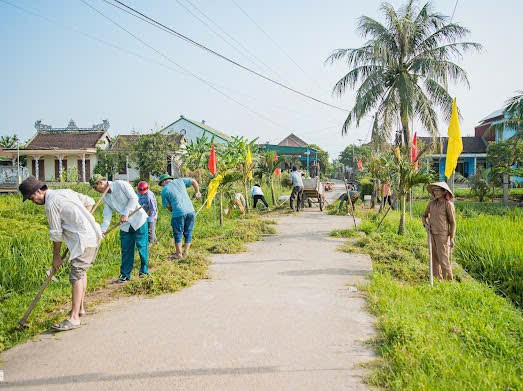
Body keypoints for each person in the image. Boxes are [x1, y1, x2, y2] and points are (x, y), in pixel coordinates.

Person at [19, 176, 102, 331]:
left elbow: (56, 233)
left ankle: (74, 318)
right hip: (92, 236)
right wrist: (81, 222)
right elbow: (89, 201)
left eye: (32, 198)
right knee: (81, 272)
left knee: (76, 275)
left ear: (39, 191)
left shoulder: (51, 204)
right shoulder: (65, 192)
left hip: (83, 241)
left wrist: (56, 258)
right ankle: (81, 309)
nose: (33, 201)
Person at [90, 174, 149, 283]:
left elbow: (134, 198)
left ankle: (144, 272)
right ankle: (125, 275)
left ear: (101, 183)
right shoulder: (105, 197)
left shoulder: (120, 184)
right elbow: (107, 215)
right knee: (126, 249)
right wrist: (102, 230)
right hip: (125, 225)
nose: (95, 190)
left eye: (95, 187)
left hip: (138, 220)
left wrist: (126, 212)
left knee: (142, 246)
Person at [158, 173, 201, 260]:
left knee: (178, 233)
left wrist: (174, 211)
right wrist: (197, 192)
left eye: (161, 184)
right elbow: (193, 181)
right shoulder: (180, 181)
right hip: (190, 210)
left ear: (164, 181)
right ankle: (186, 252)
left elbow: (169, 207)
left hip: (178, 213)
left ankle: (178, 254)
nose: (162, 186)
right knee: (188, 232)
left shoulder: (164, 191)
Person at [421, 182, 456, 281]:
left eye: (438, 190)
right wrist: (425, 224)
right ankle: (437, 279)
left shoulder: (448, 204)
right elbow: (424, 216)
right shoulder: (432, 203)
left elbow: (453, 222)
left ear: (444, 192)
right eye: (434, 190)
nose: (435, 192)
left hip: (443, 235)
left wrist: (452, 238)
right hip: (432, 233)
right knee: (434, 258)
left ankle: (449, 281)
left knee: (443, 259)